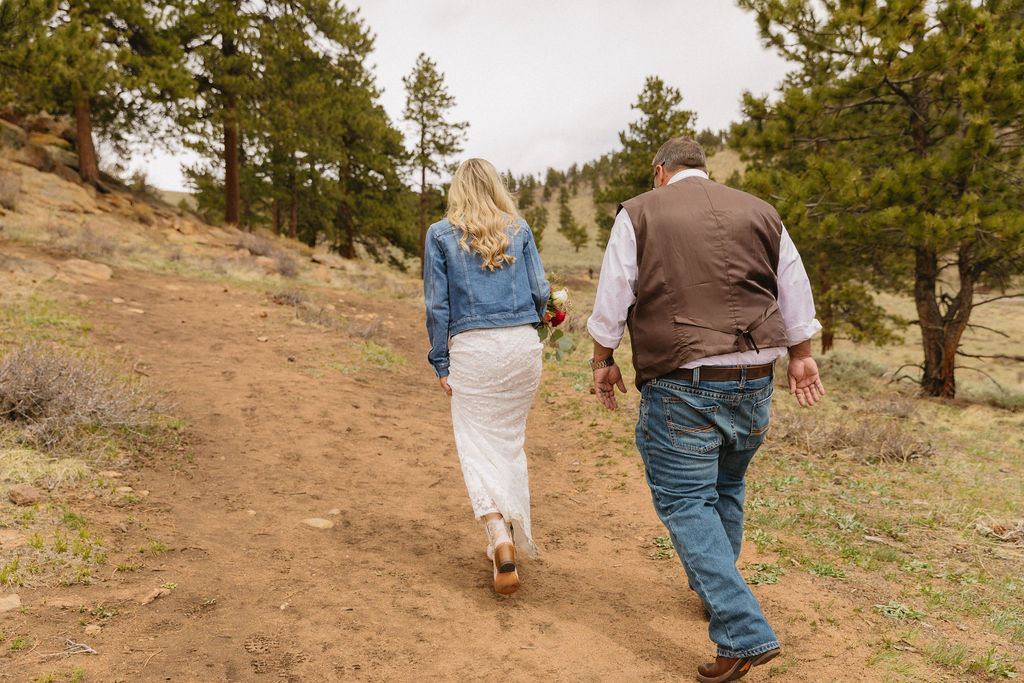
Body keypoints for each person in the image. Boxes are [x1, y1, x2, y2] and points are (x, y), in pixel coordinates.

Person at [587, 138, 825, 682]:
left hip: (684, 380)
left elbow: (613, 296)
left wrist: (603, 359)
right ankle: (716, 593)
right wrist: (802, 355)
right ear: (704, 171)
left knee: (687, 504)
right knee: (726, 489)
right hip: (755, 380)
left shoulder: (640, 212)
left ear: (660, 172)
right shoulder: (761, 211)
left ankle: (741, 631)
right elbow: (793, 286)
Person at [423, 157, 550, 596]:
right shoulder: (519, 229)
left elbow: (438, 308)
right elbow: (541, 295)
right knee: (508, 443)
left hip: (475, 352)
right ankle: (508, 534)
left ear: (458, 189)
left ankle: (498, 534)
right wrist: (536, 324)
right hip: (520, 350)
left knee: (477, 447)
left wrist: (441, 362)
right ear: (496, 187)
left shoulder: (440, 235)